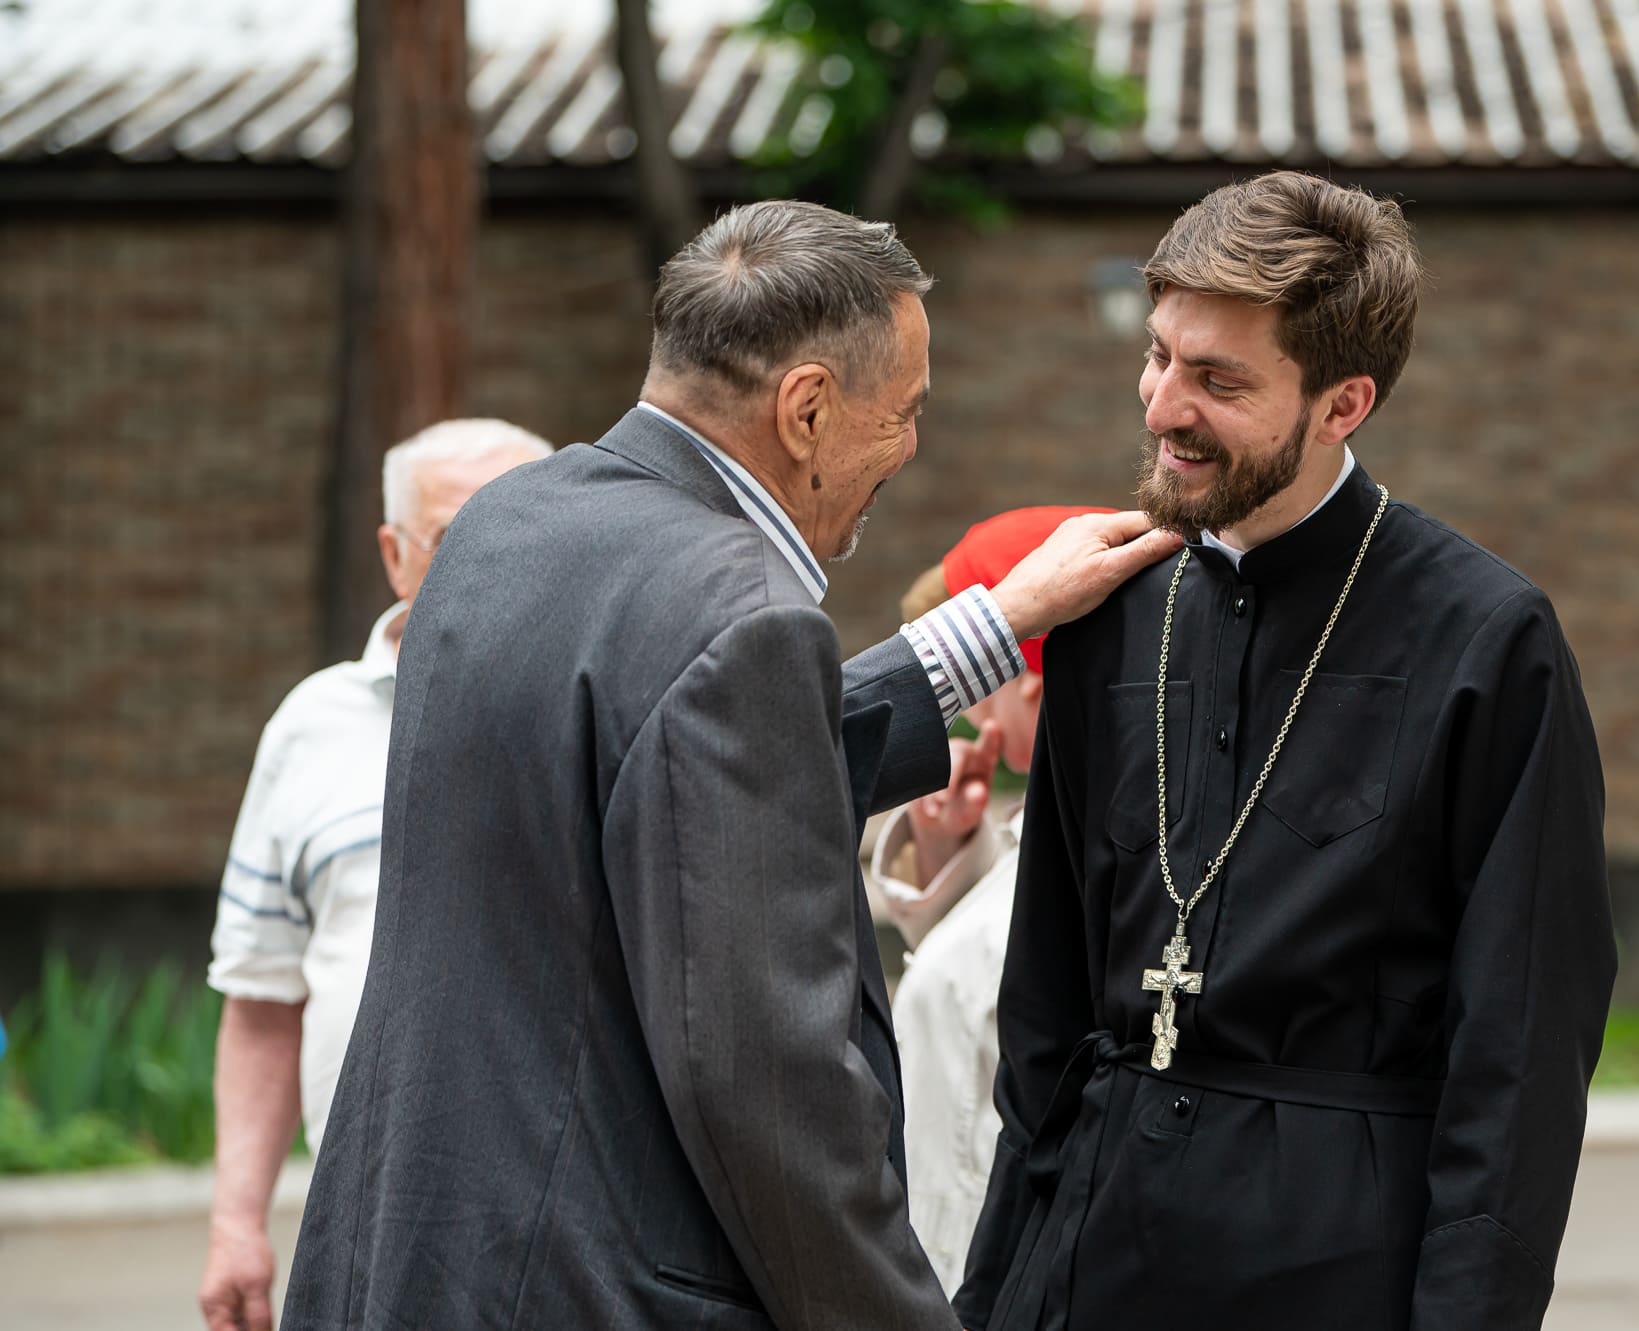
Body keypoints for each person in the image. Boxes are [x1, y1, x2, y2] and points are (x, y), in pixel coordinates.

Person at [281, 200, 1178, 1331]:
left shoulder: (509, 526)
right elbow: (768, 1091)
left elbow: (667, 772)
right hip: (592, 1286)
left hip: (404, 1256)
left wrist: (992, 623)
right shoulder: (741, 614)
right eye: (901, 413)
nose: (909, 448)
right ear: (805, 408)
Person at [955, 172, 1617, 1331]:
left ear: (1341, 402)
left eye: (1217, 380)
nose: (1163, 406)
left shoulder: (1482, 637)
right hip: (1088, 1263)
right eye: (1159, 356)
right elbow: (1044, 1013)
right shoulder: (1111, 608)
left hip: (1334, 1268)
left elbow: (1517, 1052)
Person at [197, 419, 552, 1331]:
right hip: (358, 1233)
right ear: (395, 555)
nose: (499, 560)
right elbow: (264, 998)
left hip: (565, 1236)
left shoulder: (611, 705)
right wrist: (237, 1221)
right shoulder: (309, 727)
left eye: (528, 525)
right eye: (458, 535)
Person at [873, 506, 1111, 1292]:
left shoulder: (1099, 842)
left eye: (977, 684)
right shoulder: (1040, 812)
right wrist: (946, 845)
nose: (964, 712)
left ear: (1031, 680)